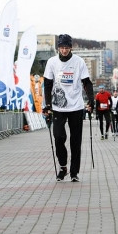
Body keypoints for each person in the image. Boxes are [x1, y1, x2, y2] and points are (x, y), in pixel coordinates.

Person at [43, 34, 93, 182]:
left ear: (71, 47)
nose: (64, 50)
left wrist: (91, 100)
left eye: (67, 47)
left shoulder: (79, 62)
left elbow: (86, 82)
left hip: (76, 106)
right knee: (59, 137)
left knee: (75, 141)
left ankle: (74, 172)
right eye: (62, 47)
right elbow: (47, 84)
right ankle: (63, 166)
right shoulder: (52, 62)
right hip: (58, 106)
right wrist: (47, 104)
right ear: (58, 48)